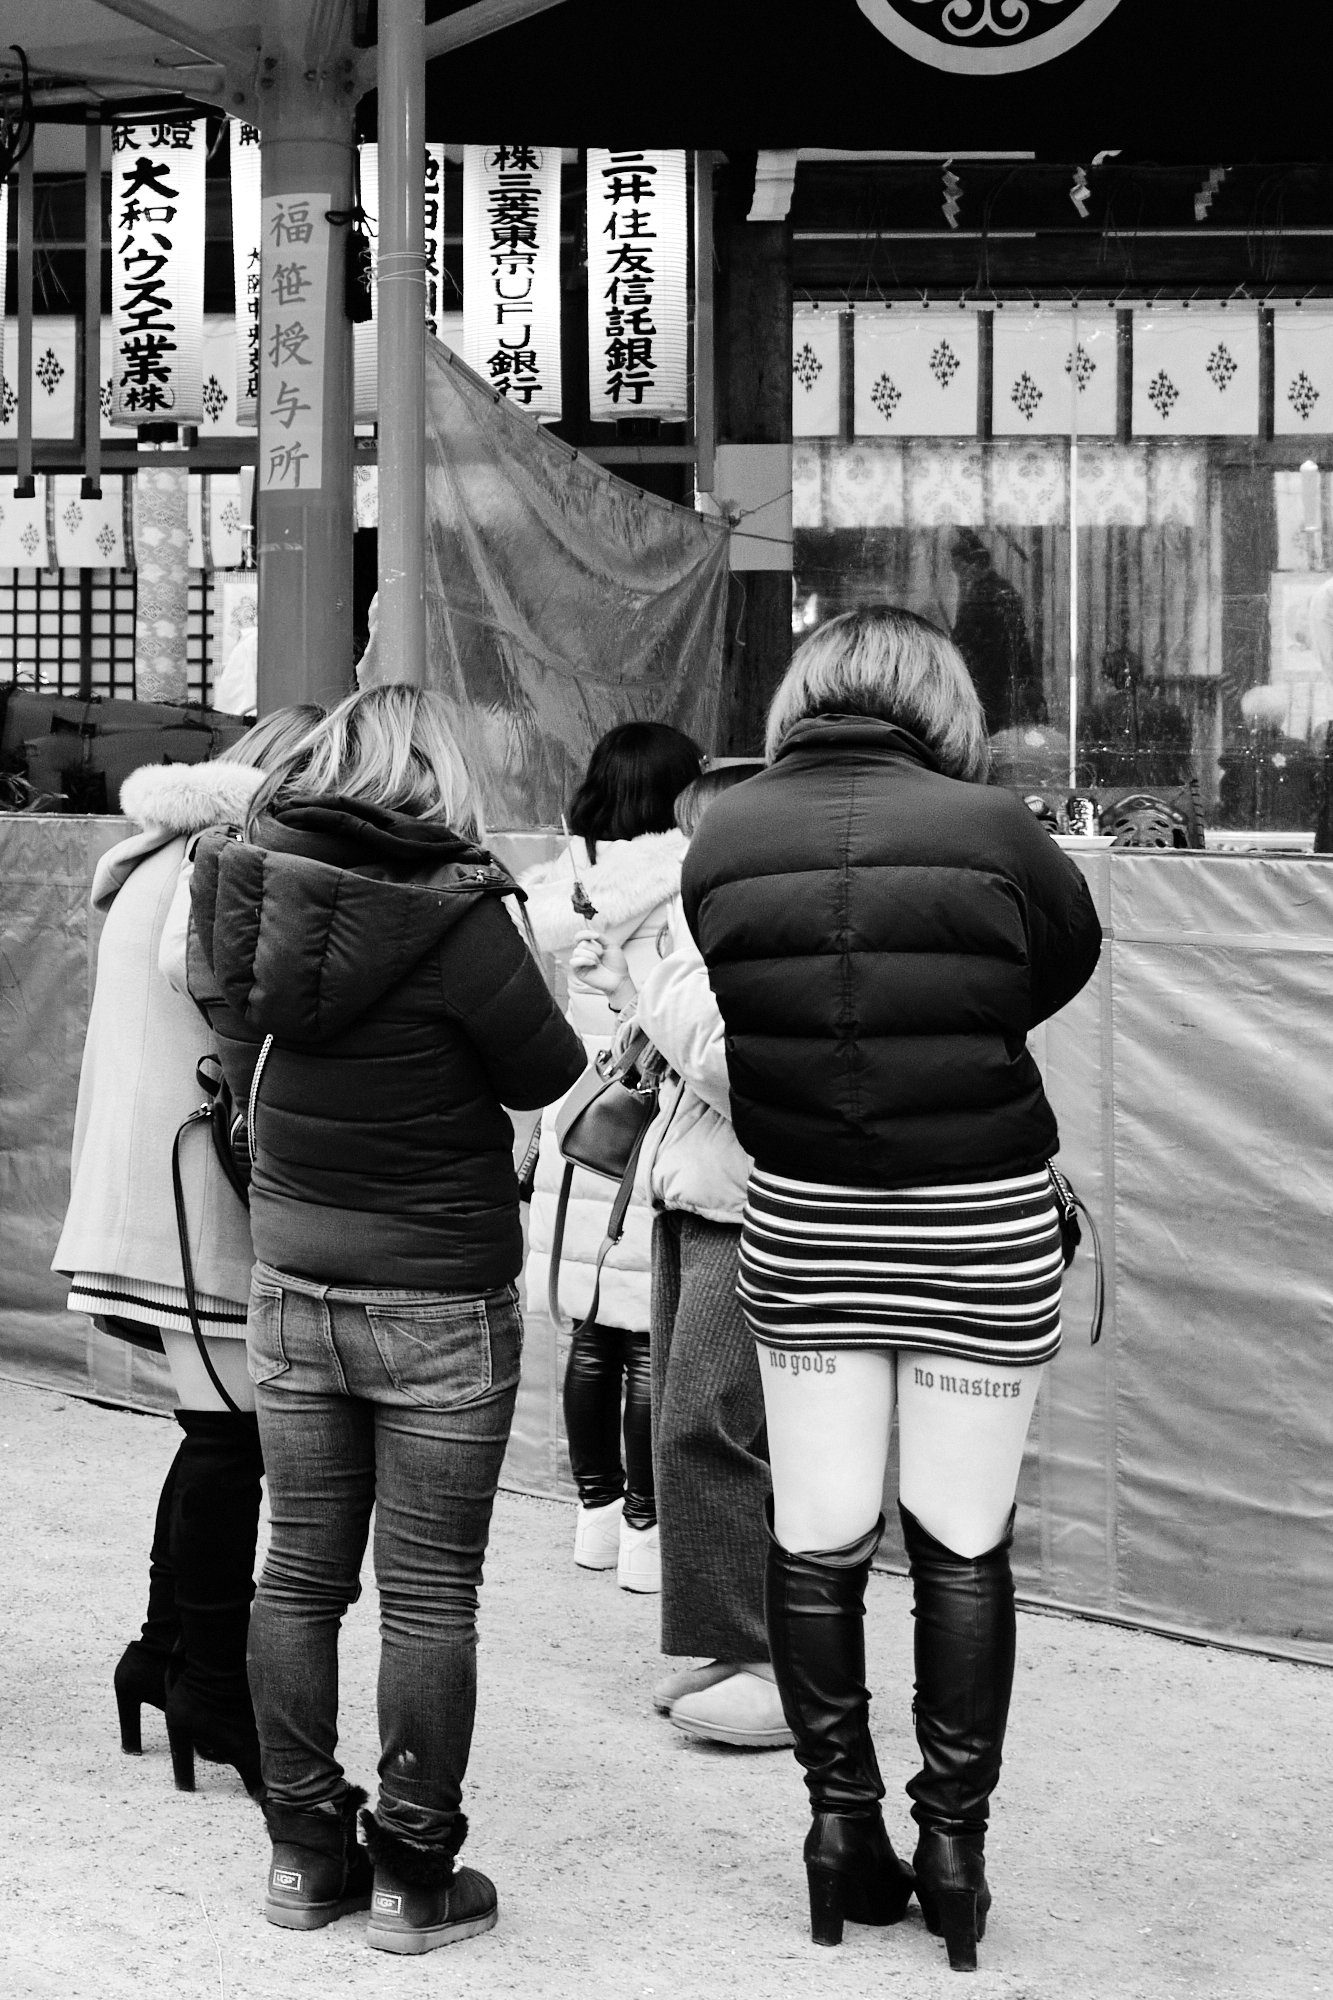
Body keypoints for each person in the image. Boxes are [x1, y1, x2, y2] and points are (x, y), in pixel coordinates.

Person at [681, 607, 1101, 1971]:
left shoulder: (724, 834)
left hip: (806, 1211)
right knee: (960, 1538)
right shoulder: (996, 831)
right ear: (940, 700)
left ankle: (838, 1834)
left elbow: (744, 989)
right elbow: (1053, 967)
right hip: (979, 1213)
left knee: (816, 1530)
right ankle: (955, 1854)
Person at [186, 684, 585, 1952]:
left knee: (297, 1575)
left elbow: (229, 1037)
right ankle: (414, 1872)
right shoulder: (460, 915)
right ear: (435, 775)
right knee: (427, 1597)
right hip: (440, 1294)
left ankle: (304, 1854)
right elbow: (548, 1070)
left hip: (293, 1277)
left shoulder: (245, 885)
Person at [53, 705, 323, 1799]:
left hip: (147, 1178)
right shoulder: (226, 859)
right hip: (194, 1187)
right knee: (231, 1439)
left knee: (215, 1431)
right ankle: (210, 1682)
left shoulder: (154, 854)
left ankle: (164, 1653)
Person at [569, 763, 790, 1750]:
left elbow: (738, 1064)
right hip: (698, 1192)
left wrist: (654, 979)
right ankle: (730, 1643)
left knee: (708, 1422)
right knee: (696, 1424)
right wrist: (638, 1003)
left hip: (744, 1204)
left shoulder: (762, 922)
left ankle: (768, 1663)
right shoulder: (723, 921)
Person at [521, 721, 703, 1592]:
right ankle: (644, 1530)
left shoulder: (568, 883)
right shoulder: (684, 882)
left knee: (592, 1331)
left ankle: (594, 1516)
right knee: (645, 1337)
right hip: (656, 1117)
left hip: (582, 1121)